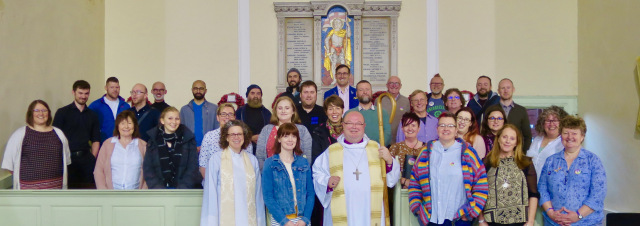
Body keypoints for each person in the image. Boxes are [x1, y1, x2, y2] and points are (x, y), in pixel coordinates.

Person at [312, 111, 400, 225]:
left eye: (358, 123)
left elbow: (391, 180)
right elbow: (317, 172)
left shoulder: (376, 148)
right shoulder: (332, 151)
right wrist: (327, 181)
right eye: (349, 123)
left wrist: (389, 160)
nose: (354, 127)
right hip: (342, 211)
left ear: (364, 126)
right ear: (343, 125)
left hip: (370, 211)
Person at [408, 112, 488, 226]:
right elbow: (415, 183)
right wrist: (417, 208)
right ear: (437, 129)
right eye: (442, 125)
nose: (446, 129)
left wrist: (472, 212)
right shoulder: (425, 153)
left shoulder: (468, 153)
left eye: (450, 126)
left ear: (456, 130)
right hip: (432, 219)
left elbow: (482, 183)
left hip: (459, 219)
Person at [538, 116, 606, 226]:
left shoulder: (593, 160)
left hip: (586, 222)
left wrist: (578, 215)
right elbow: (542, 189)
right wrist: (551, 213)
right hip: (554, 222)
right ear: (560, 136)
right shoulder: (551, 161)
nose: (570, 137)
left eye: (574, 133)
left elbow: (598, 194)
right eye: (565, 133)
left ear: (582, 137)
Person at [200, 120, 265, 226]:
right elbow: (210, 193)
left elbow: (257, 194)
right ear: (226, 137)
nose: (236, 137)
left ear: (244, 136)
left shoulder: (252, 160)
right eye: (232, 134)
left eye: (239, 134)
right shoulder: (216, 159)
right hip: (223, 217)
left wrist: (260, 221)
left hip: (248, 217)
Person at [2, 100, 71, 190]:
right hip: (28, 190)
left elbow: (66, 160)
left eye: (44, 110)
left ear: (48, 113)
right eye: (37, 110)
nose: (41, 113)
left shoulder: (59, 133)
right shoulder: (20, 134)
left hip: (55, 188)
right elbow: (9, 164)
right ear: (31, 113)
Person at [478, 124, 538, 226]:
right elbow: (479, 192)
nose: (507, 141)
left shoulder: (526, 163)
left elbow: (533, 194)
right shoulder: (486, 162)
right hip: (491, 222)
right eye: (504, 137)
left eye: (512, 138)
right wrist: (481, 220)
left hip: (520, 222)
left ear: (516, 142)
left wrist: (531, 221)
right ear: (498, 139)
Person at [262, 123, 315, 226]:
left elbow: (310, 194)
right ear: (279, 139)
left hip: (302, 220)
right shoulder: (270, 163)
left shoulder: (303, 162)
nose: (290, 140)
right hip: (280, 220)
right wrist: (284, 221)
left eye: (293, 136)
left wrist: (305, 219)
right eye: (286, 136)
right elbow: (268, 196)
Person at [52, 80, 100, 189]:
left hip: (86, 159)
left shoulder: (93, 115)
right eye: (80, 93)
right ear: (73, 92)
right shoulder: (62, 112)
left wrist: (92, 158)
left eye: (86, 93)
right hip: (67, 159)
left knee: (88, 192)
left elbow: (96, 139)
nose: (83, 96)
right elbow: (55, 138)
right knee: (69, 193)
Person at [526, 106, 568, 226]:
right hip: (532, 192)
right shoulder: (537, 140)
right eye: (548, 121)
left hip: (551, 195)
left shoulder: (563, 143)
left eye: (555, 120)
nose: (551, 124)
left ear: (562, 123)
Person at [144, 107, 202, 189]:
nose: (174, 122)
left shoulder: (189, 139)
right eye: (170, 118)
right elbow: (148, 169)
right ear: (162, 120)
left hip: (184, 192)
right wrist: (159, 189)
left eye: (177, 119)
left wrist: (181, 189)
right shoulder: (153, 141)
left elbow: (193, 168)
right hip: (159, 192)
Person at [310, 94, 344, 225]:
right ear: (326, 112)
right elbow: (316, 159)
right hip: (328, 180)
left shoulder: (349, 130)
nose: (334, 112)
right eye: (330, 109)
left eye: (337, 108)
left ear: (342, 110)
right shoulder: (318, 131)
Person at [94, 111, 147, 189]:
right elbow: (98, 170)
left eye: (129, 123)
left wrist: (143, 192)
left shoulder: (143, 145)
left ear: (134, 126)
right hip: (112, 194)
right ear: (117, 126)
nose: (126, 127)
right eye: (122, 123)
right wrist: (104, 192)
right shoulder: (108, 144)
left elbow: (150, 172)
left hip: (136, 195)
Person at [256, 96, 312, 169]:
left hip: (296, 174)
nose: (283, 111)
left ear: (293, 111)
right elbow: (259, 156)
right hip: (270, 174)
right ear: (275, 111)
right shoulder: (266, 130)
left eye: (287, 108)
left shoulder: (302, 130)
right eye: (280, 108)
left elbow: (307, 157)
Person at [199, 103, 253, 178]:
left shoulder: (243, 137)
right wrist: (212, 184)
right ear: (217, 117)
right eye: (223, 114)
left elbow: (249, 163)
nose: (227, 117)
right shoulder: (209, 137)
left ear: (235, 117)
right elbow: (203, 165)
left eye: (230, 114)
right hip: (213, 183)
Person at [345, 80, 392, 145]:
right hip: (355, 151)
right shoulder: (349, 114)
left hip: (377, 152)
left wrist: (377, 147)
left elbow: (387, 133)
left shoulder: (382, 112)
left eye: (367, 89)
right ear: (356, 93)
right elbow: (346, 134)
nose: (365, 92)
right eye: (361, 90)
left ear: (371, 92)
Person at [89, 77, 130, 143]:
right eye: (112, 87)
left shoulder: (125, 106)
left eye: (117, 87)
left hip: (122, 144)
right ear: (106, 88)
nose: (115, 90)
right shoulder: (95, 105)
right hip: (102, 144)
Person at [180, 80, 219, 149]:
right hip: (189, 148)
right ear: (192, 90)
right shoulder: (184, 110)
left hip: (209, 148)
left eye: (201, 88)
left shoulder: (214, 109)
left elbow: (217, 130)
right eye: (195, 88)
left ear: (205, 91)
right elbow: (181, 131)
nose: (198, 91)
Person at [390, 112, 425, 189]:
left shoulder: (426, 149)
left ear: (418, 128)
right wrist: (403, 181)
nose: (410, 128)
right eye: (406, 125)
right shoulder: (395, 148)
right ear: (402, 128)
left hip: (421, 190)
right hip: (399, 191)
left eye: (413, 125)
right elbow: (390, 173)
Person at [496, 78, 532, 150]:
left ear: (513, 89)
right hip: (496, 154)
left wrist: (522, 154)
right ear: (498, 91)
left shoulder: (521, 111)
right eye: (503, 88)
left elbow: (527, 136)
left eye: (508, 88)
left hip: (516, 155)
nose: (506, 91)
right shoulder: (492, 110)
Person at [236, 84, 272, 154]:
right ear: (247, 95)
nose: (255, 96)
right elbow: (235, 130)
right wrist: (250, 138)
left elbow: (271, 131)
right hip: (243, 149)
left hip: (262, 149)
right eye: (252, 93)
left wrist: (261, 138)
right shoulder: (239, 112)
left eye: (258, 93)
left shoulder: (267, 113)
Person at [377, 76, 411, 145]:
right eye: (391, 83)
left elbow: (408, 121)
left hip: (400, 140)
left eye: (397, 83)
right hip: (384, 140)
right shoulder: (379, 100)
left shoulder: (406, 101)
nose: (394, 86)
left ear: (400, 86)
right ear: (387, 85)